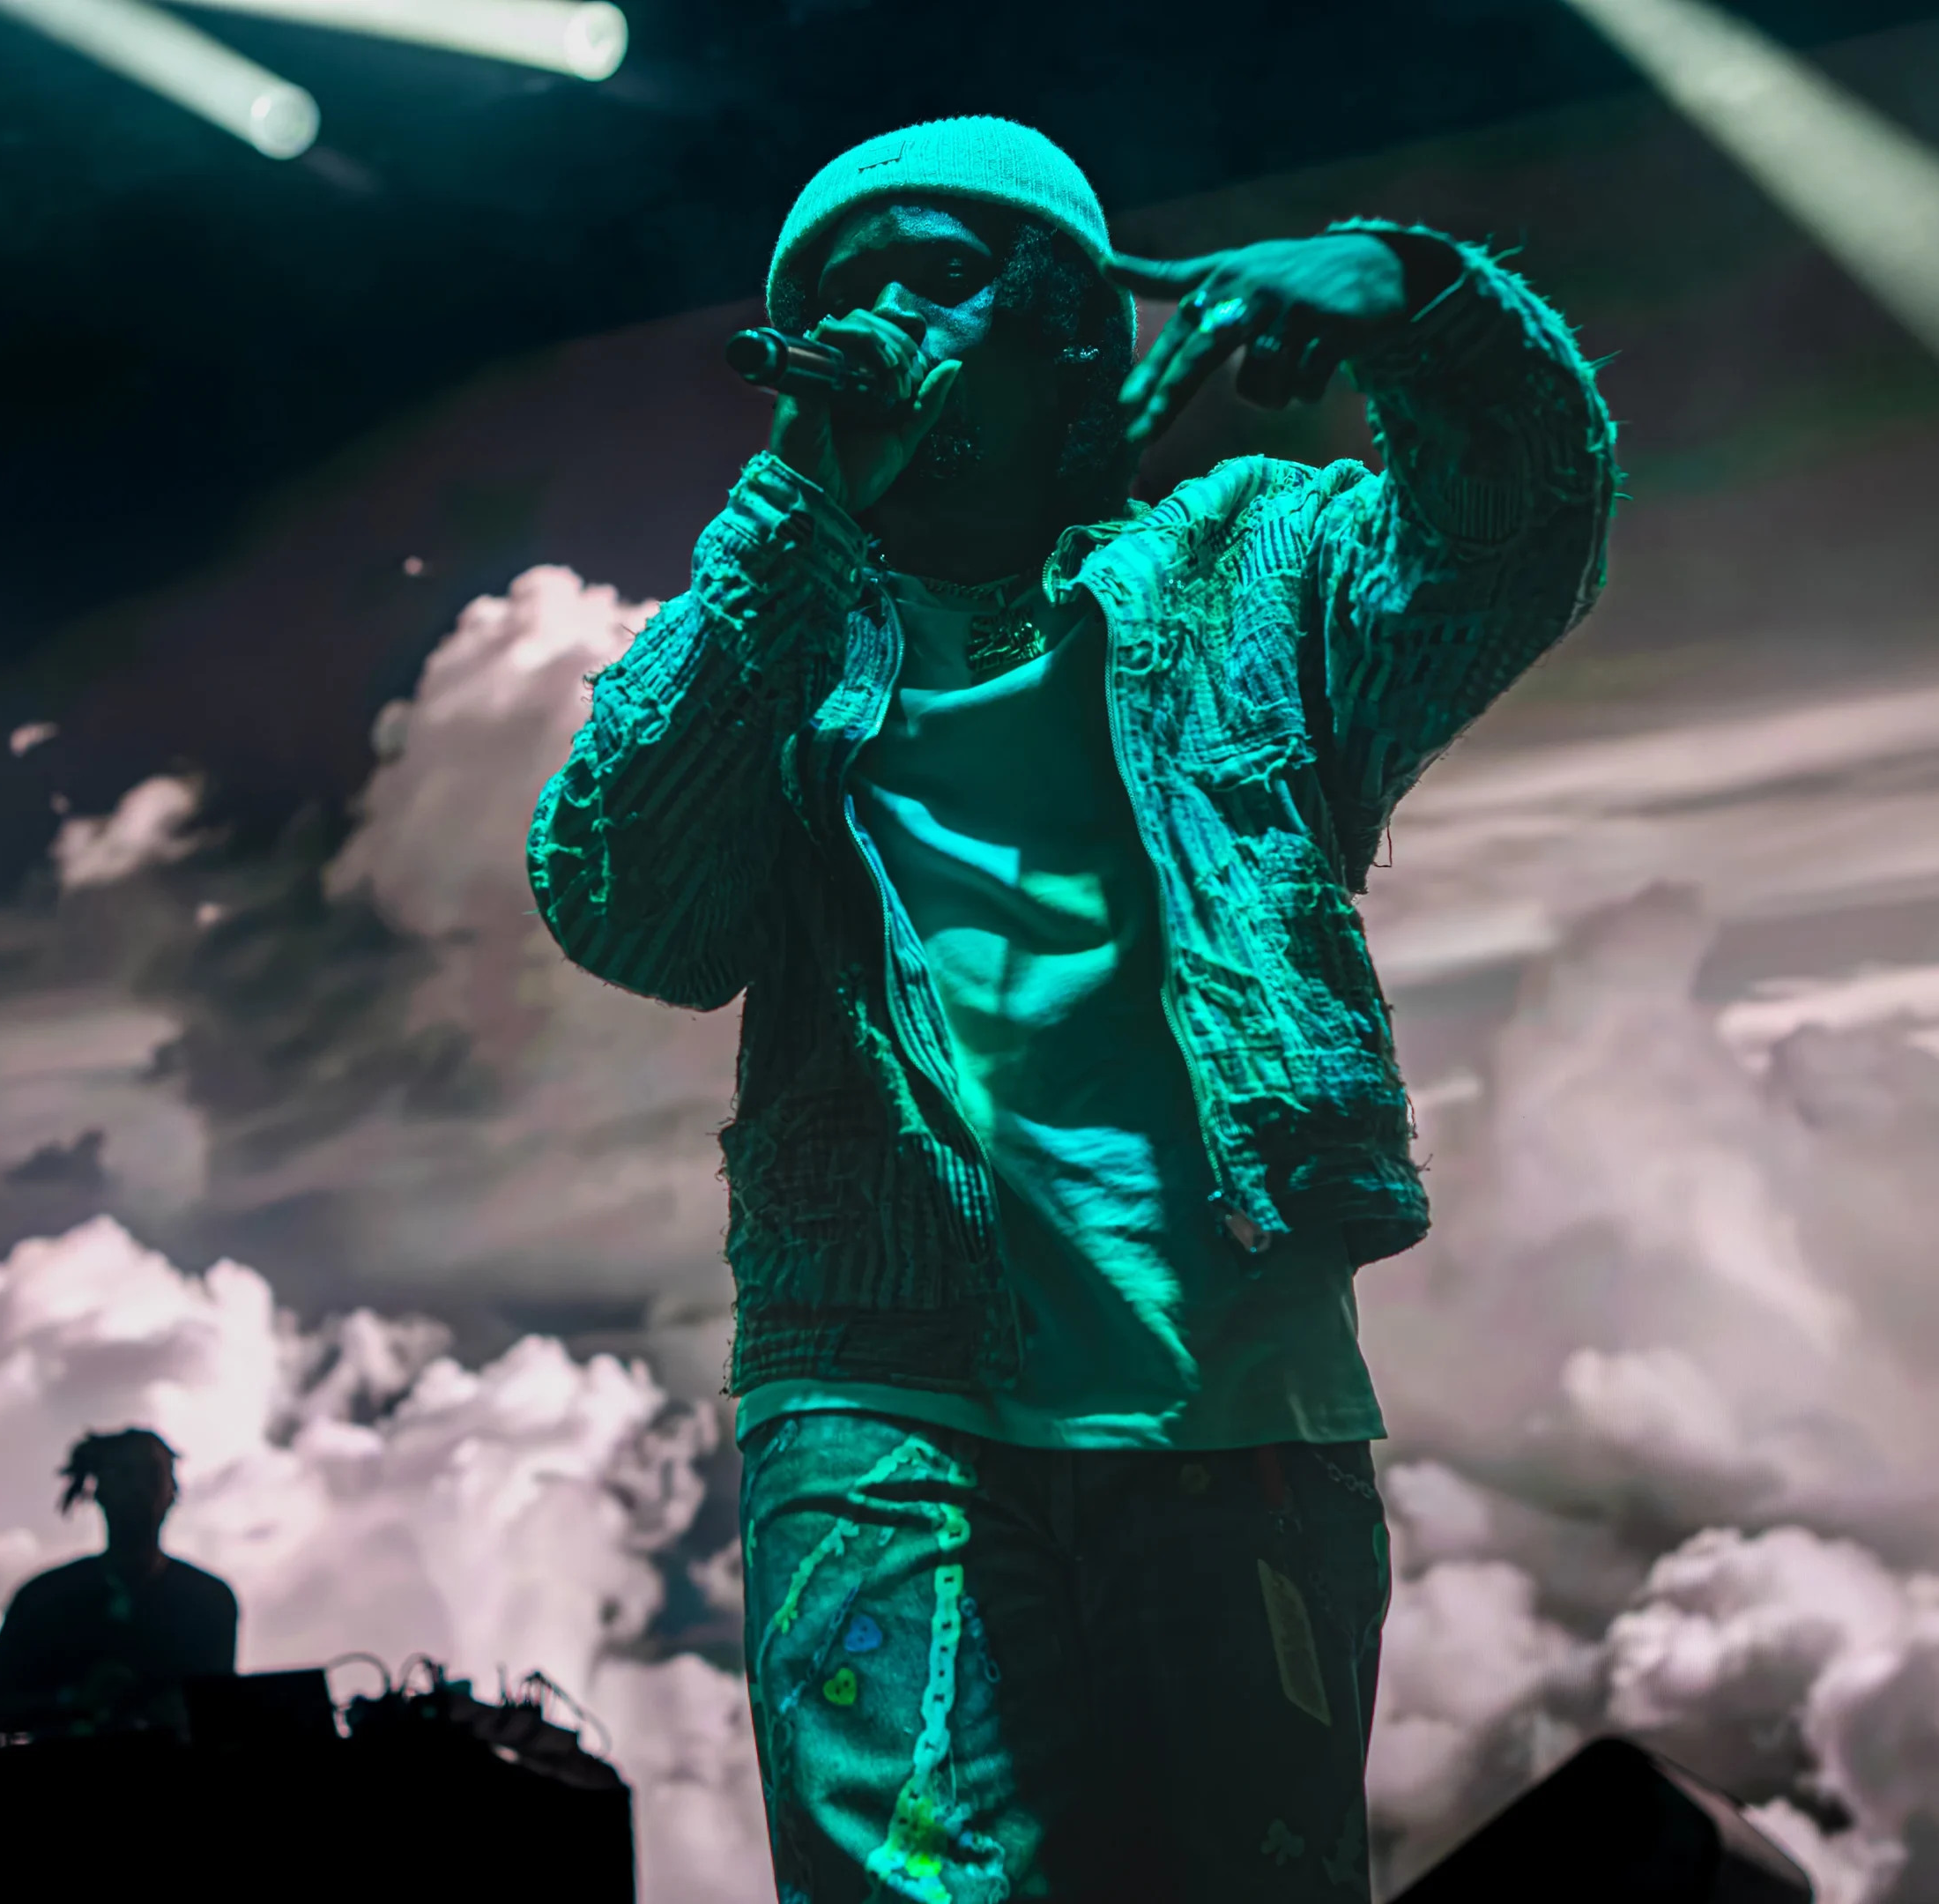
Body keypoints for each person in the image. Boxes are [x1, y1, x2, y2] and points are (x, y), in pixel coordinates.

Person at [527, 117, 1615, 1899]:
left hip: (1234, 1404)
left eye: (937, 270)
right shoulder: (774, 624)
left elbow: (1520, 542)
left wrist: (1415, 299)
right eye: (835, 290)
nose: (879, 313)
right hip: (875, 1399)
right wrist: (796, 509)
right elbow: (622, 901)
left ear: (1071, 322)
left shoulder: (1255, 567)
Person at [0, 1428, 239, 1740]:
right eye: (124, 1473)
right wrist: (73, 1700)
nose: (138, 1488)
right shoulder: (41, 1600)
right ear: (98, 1490)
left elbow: (221, 1712)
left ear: (173, 1492)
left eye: (151, 1474)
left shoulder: (210, 1602)